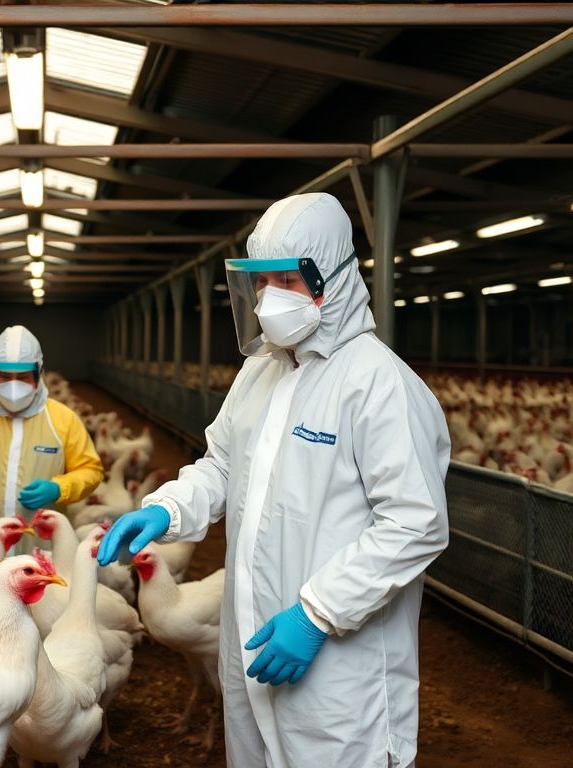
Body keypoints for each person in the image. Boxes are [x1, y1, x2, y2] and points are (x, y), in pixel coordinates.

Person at [98, 193, 450, 767]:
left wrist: (318, 613)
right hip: (249, 643)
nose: (269, 298)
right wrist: (165, 509)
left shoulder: (377, 383)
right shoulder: (259, 371)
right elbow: (221, 465)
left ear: (330, 279)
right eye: (261, 282)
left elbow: (416, 524)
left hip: (338, 666)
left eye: (287, 279)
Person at [0, 325, 103, 571]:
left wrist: (59, 488)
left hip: (40, 544)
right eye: (4, 376)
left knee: (42, 601)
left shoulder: (63, 420)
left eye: (23, 377)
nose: (13, 385)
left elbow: (91, 470)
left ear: (38, 374)